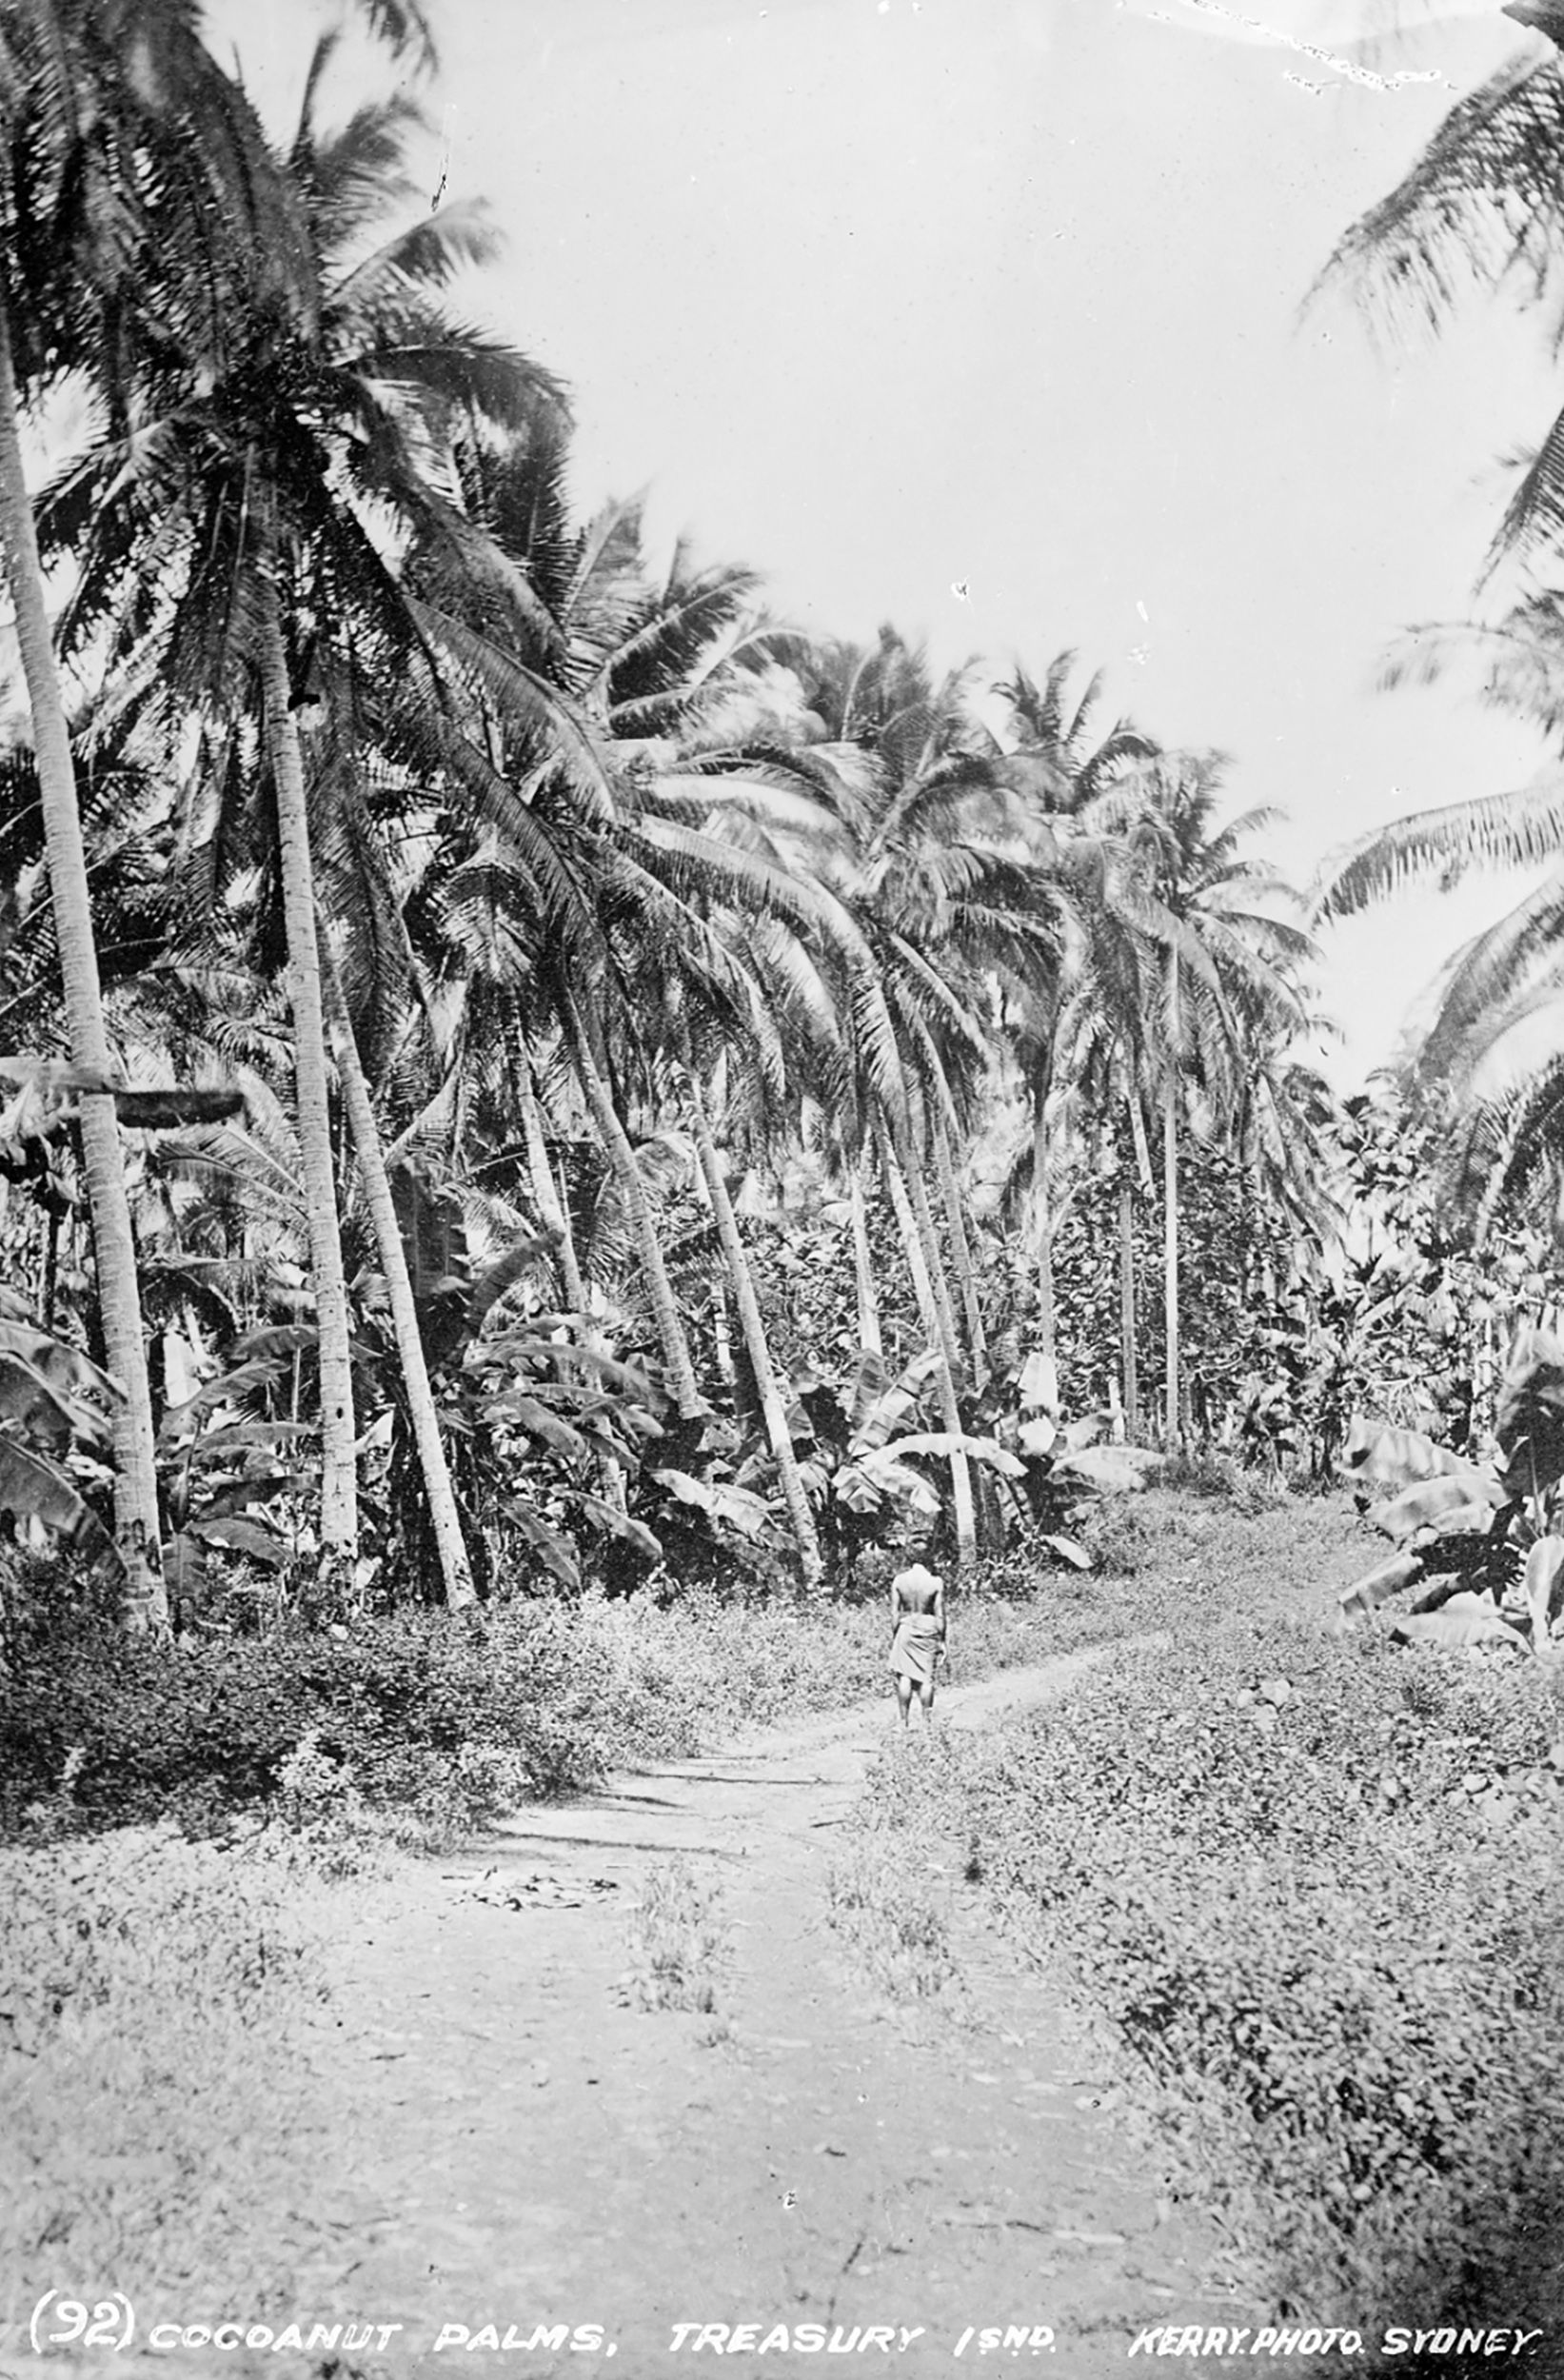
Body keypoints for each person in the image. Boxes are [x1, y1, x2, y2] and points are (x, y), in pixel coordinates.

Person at [888, 1561, 946, 1728]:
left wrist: (896, 1636)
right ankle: (927, 1724)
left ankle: (903, 1722)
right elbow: (940, 1615)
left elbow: (895, 1612)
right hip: (928, 1627)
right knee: (926, 1678)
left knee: (904, 1676)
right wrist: (942, 1640)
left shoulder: (899, 1581)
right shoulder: (935, 1582)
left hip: (906, 1627)